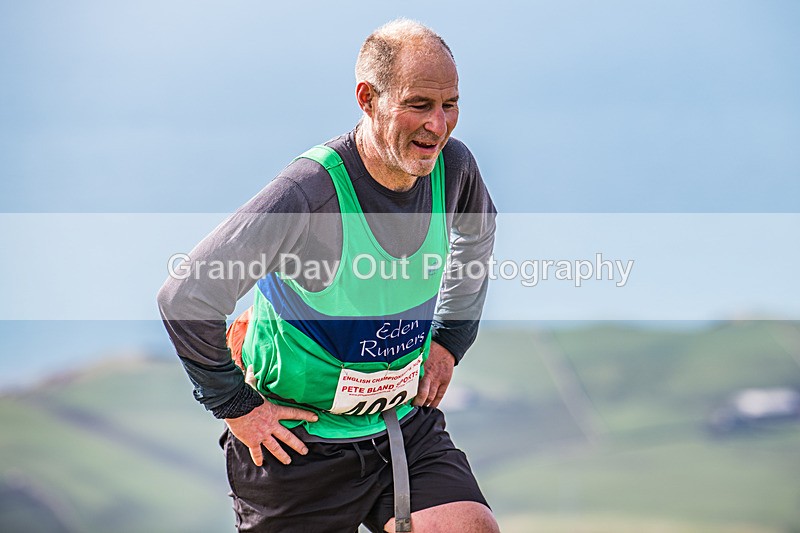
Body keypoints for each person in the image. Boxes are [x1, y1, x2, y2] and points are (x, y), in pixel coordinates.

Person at [157, 18, 499, 533]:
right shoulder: (307, 195)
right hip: (297, 443)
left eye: (449, 104)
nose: (439, 124)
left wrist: (451, 338)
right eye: (418, 105)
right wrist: (235, 406)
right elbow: (186, 297)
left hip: (398, 427)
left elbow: (476, 237)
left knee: (468, 527)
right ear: (368, 98)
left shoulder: (454, 169)